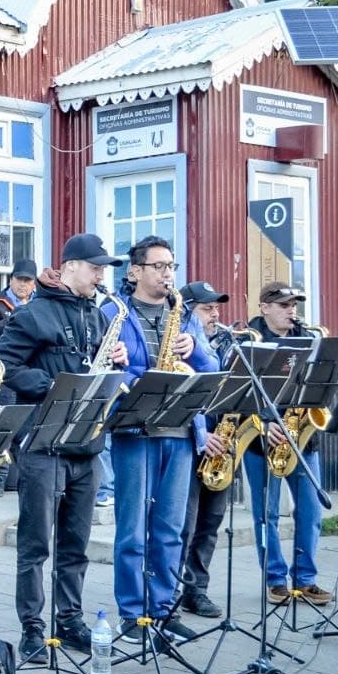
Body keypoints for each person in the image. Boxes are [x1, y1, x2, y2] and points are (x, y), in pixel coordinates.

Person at [0, 234, 126, 663]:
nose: (101, 275)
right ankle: (33, 628)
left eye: (103, 269)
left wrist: (118, 360)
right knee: (35, 545)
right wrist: (51, 387)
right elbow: (4, 364)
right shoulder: (34, 314)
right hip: (44, 443)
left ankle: (69, 621)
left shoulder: (101, 315)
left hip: (87, 443)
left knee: (76, 544)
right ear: (69, 266)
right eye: (94, 267)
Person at [101, 236, 219, 645]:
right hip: (135, 428)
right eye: (159, 266)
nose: (168, 274)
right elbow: (107, 370)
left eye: (171, 266)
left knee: (171, 528)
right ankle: (134, 614)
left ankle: (164, 610)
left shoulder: (182, 314)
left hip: (182, 430)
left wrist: (196, 351)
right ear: (135, 272)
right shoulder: (113, 311)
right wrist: (141, 378)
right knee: (132, 529)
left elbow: (212, 366)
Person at [243, 282, 333, 606]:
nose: (291, 310)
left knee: (310, 512)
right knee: (267, 515)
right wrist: (263, 421)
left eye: (294, 304)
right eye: (283, 304)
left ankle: (306, 579)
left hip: (304, 438)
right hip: (260, 442)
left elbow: (323, 386)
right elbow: (237, 395)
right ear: (264, 307)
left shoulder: (308, 338)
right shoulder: (248, 342)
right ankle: (275, 579)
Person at [177, 281, 234, 618]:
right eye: (207, 308)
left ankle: (197, 589)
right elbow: (186, 388)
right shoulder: (184, 341)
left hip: (222, 441)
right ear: (188, 312)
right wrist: (201, 432)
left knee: (211, 522)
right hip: (191, 439)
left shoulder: (227, 344)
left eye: (216, 308)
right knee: (185, 523)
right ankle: (173, 588)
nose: (215, 314)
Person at [0, 258, 37, 345]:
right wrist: (14, 318)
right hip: (4, 357)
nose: (22, 284)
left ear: (34, 284)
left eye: (27, 280)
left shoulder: (41, 303)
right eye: (19, 279)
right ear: (11, 280)